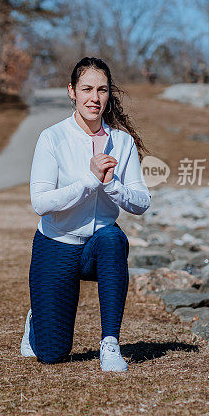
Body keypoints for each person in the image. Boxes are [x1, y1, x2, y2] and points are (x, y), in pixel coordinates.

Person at [20, 57, 151, 372]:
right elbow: (41, 202)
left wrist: (111, 187)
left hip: (97, 246)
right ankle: (38, 318)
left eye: (102, 90)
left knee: (113, 238)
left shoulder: (122, 141)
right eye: (87, 89)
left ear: (109, 94)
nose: (95, 98)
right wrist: (89, 181)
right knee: (53, 354)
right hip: (57, 243)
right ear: (72, 92)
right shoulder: (53, 138)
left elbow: (142, 201)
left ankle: (110, 344)